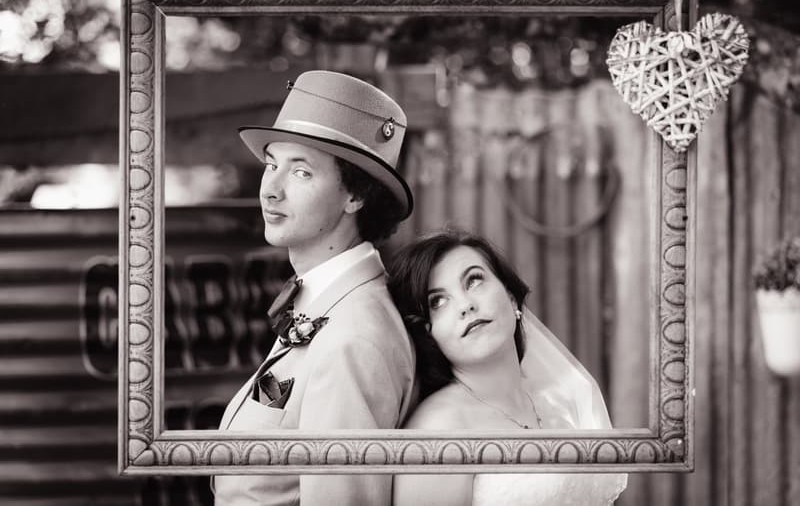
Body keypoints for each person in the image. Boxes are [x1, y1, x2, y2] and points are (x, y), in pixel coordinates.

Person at [214, 70, 416, 506]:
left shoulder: (352, 340)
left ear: (355, 196)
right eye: (272, 165)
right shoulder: (327, 305)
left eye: (301, 172)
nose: (271, 189)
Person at [387, 230, 628, 506]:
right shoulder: (436, 431)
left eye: (474, 281)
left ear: (512, 298)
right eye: (438, 302)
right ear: (430, 333)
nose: (465, 305)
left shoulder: (556, 398)